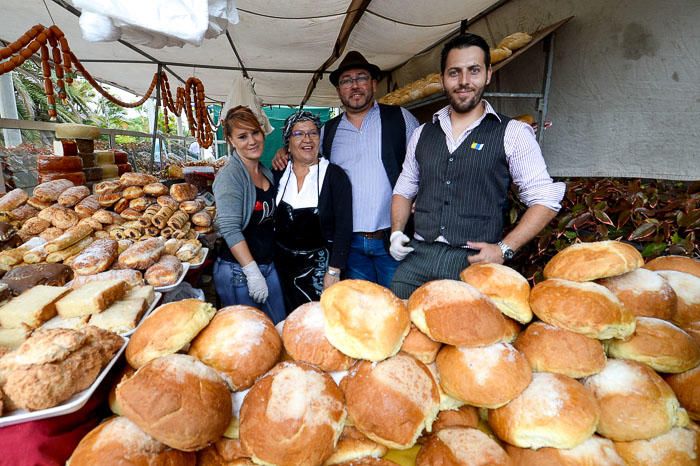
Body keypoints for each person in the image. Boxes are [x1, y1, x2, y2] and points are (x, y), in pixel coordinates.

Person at [389, 33, 566, 299]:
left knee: (464, 336)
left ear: (487, 74)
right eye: (454, 72)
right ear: (442, 79)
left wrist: (505, 249)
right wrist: (395, 233)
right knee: (400, 332)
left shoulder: (513, 133)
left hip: (473, 263)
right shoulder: (422, 133)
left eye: (473, 71)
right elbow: (404, 189)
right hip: (416, 259)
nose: (463, 82)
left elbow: (546, 199)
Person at [273, 51, 419, 289]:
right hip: (348, 246)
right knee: (360, 313)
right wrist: (284, 152)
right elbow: (306, 156)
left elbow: (423, 163)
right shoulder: (328, 131)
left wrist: (419, 197)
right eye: (346, 81)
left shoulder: (399, 119)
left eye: (361, 78)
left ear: (373, 83)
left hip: (393, 240)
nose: (354, 86)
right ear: (339, 90)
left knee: (398, 307)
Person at [212, 105, 286, 323]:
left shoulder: (265, 171)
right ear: (231, 141)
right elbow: (229, 228)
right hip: (239, 272)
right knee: (247, 338)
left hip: (268, 265)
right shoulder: (230, 176)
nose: (252, 141)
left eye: (255, 133)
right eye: (242, 136)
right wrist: (252, 272)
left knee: (279, 327)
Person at [273, 111, 352, 311]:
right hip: (281, 267)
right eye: (299, 134)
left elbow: (344, 226)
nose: (307, 139)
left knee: (316, 324)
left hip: (319, 268)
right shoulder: (278, 172)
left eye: (313, 133)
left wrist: (333, 271)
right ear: (288, 142)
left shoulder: (334, 175)